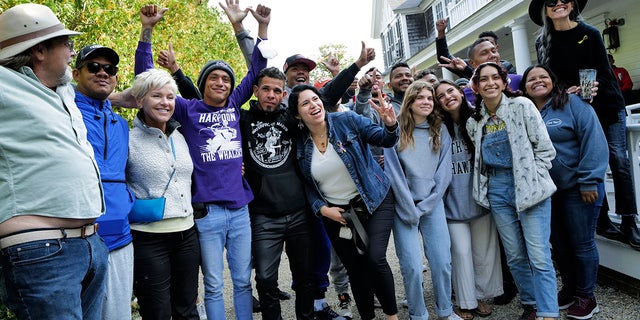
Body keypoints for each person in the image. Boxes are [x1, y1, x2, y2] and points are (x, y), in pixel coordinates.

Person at [121, 2, 270, 319]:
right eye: (214, 78)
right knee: (214, 285)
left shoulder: (232, 106)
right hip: (206, 214)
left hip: (240, 209)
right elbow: (146, 80)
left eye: (226, 79)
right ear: (203, 84)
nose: (221, 83)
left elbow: (258, 69)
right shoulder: (188, 110)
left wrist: (254, 28)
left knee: (244, 283)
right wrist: (147, 31)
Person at [0, 4, 108, 319]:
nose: (73, 51)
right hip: (40, 251)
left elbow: (96, 90)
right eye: (66, 43)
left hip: (89, 245)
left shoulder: (62, 91)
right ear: (39, 50)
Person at [529, 0, 640, 250]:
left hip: (606, 104)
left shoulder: (589, 33)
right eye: (551, 1)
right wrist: (563, 90)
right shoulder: (542, 42)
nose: (558, 3)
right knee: (585, 161)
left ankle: (629, 220)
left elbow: (601, 70)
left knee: (618, 159)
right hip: (574, 110)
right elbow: (549, 77)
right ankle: (601, 218)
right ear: (545, 9)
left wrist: (588, 87)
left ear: (572, 4)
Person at [289, 84, 399, 320]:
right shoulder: (299, 143)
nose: (313, 105)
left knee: (374, 258)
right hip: (337, 214)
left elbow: (385, 139)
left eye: (315, 99)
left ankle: (392, 317)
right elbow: (306, 184)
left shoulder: (346, 120)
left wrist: (390, 124)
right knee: (356, 271)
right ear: (298, 114)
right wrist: (323, 209)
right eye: (305, 103)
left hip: (374, 199)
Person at [466, 62, 558, 320]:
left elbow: (545, 150)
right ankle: (530, 304)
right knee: (515, 255)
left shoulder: (522, 106)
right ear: (476, 86)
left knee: (539, 255)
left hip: (530, 186)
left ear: (505, 82)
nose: (490, 83)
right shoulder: (475, 122)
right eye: (483, 79)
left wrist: (535, 177)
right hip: (497, 189)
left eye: (495, 77)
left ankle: (549, 312)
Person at [521, 64, 608, 320]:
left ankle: (587, 296)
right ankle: (570, 289)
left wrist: (590, 180)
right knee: (559, 246)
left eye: (543, 77)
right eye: (531, 79)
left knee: (582, 244)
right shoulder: (525, 111)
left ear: (553, 81)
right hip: (546, 192)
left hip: (579, 189)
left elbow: (593, 139)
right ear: (524, 87)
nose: (537, 81)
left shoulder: (572, 104)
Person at [240, 66, 316, 320]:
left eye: (276, 90)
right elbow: (206, 106)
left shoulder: (291, 120)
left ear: (283, 94)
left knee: (305, 276)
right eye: (266, 89)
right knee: (265, 279)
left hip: (298, 213)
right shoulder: (242, 120)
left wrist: (356, 67)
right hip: (263, 216)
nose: (271, 95)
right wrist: (177, 72)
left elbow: (323, 101)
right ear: (255, 91)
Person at [125, 68, 201, 319]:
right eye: (157, 96)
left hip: (187, 235)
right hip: (149, 238)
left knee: (187, 310)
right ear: (139, 100)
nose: (165, 103)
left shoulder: (180, 136)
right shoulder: (128, 139)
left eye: (170, 97)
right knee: (157, 312)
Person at [384, 81, 462, 320]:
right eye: (420, 98)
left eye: (430, 98)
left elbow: (443, 174)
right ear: (410, 102)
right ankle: (418, 314)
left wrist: (426, 205)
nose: (426, 102)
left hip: (432, 204)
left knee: (441, 261)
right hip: (403, 206)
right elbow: (393, 172)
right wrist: (409, 207)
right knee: (412, 267)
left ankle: (445, 311)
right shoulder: (394, 130)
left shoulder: (441, 130)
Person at [73, 44, 135, 320]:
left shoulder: (122, 124)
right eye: (93, 67)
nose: (102, 73)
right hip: (77, 236)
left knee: (118, 315)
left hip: (121, 236)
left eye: (109, 69)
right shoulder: (64, 113)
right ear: (75, 74)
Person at [434, 79, 503, 320]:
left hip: (480, 200)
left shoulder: (478, 120)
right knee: (461, 253)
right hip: (452, 205)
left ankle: (482, 297)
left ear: (461, 93)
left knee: (484, 254)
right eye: (441, 95)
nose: (447, 97)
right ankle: (465, 300)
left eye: (450, 91)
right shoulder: (437, 128)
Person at [435, 17, 516, 79]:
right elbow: (444, 58)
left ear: (496, 48)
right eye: (484, 52)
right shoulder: (465, 66)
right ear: (472, 63)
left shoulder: (507, 66)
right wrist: (441, 33)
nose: (491, 55)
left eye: (493, 49)